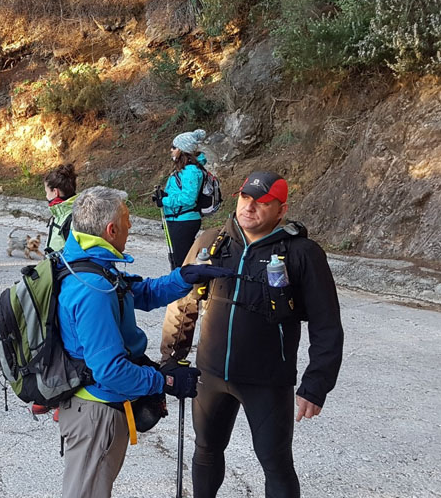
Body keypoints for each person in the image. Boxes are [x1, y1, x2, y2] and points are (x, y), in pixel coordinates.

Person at [160, 171, 344, 498]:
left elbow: (326, 323)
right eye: (246, 197)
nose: (250, 207)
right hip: (210, 374)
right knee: (205, 451)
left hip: (267, 381)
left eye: (263, 202)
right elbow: (183, 300)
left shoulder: (302, 254)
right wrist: (171, 359)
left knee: (275, 463)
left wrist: (317, 383)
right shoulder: (212, 242)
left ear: (281, 209)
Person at [57, 186, 232, 498]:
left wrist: (183, 278)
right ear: (111, 230)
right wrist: (164, 381)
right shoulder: (92, 287)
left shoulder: (86, 260)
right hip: (97, 412)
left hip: (97, 407)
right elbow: (110, 371)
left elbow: (140, 292)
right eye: (127, 220)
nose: (131, 226)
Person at [154, 128, 208, 269]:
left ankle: (184, 289)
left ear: (182, 150)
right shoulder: (185, 170)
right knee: (178, 260)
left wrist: (164, 201)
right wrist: (164, 195)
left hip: (184, 221)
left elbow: (189, 199)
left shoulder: (190, 171)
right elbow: (180, 193)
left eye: (174, 147)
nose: (171, 150)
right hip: (178, 219)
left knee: (181, 263)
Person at [44, 163, 78, 254]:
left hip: (63, 267)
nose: (46, 196)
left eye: (47, 192)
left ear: (55, 192)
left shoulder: (71, 219)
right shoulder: (61, 213)